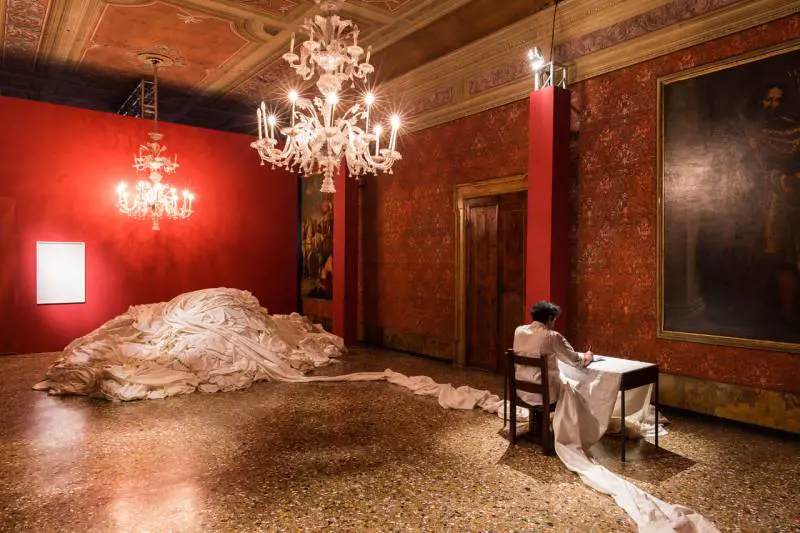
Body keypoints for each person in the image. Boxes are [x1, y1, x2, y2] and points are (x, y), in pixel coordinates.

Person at [512, 301, 593, 407]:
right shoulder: (552, 336)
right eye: (554, 320)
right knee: (578, 389)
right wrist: (587, 357)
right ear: (549, 318)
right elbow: (574, 360)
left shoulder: (519, 331)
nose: (554, 323)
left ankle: (539, 417)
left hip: (522, 391)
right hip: (544, 395)